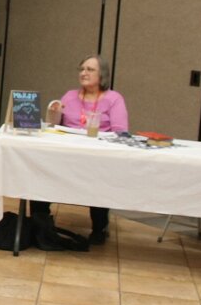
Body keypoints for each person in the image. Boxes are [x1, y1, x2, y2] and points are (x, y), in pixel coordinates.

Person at [35, 54, 130, 245]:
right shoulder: (69, 96)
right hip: (66, 155)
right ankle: (40, 221)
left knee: (100, 179)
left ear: (102, 75)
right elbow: (54, 126)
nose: (84, 73)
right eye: (82, 69)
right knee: (40, 171)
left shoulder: (114, 99)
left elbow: (121, 132)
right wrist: (54, 113)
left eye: (90, 69)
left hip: (97, 158)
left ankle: (99, 227)